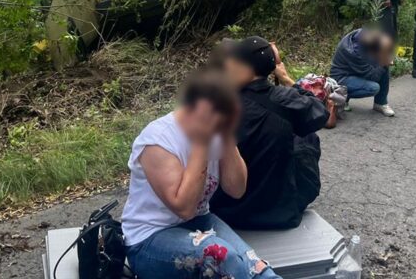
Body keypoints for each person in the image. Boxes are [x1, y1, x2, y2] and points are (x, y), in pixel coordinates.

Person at [121, 69, 281, 279]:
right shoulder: (158, 140)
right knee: (222, 257)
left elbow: (236, 189)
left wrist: (228, 139)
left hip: (199, 221)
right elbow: (184, 209)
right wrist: (202, 143)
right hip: (148, 238)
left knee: (257, 267)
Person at [210, 36, 329, 230]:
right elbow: (320, 112)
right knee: (306, 135)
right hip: (280, 215)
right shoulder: (286, 98)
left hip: (226, 212)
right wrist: (286, 78)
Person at [329, 27, 395, 116]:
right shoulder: (355, 52)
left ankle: (380, 103)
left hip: (353, 71)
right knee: (374, 87)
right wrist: (383, 62)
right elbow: (373, 76)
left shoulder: (363, 34)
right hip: (341, 78)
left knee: (382, 64)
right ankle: (341, 96)